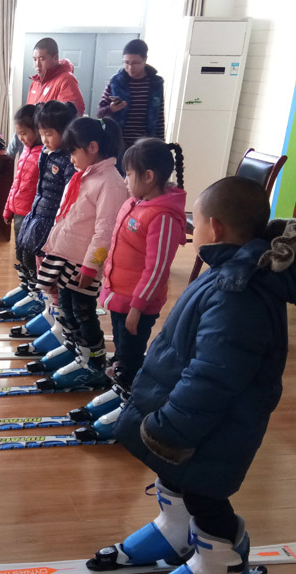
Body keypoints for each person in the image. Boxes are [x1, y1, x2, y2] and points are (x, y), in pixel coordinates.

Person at [85, 177, 296, 574]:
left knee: (205, 493)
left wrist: (171, 427)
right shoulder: (231, 274)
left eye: (196, 223)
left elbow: (215, 374)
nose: (193, 231)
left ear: (216, 229)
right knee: (180, 482)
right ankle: (176, 529)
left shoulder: (236, 291)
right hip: (197, 420)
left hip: (210, 427)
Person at [34, 117, 128, 390]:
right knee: (67, 309)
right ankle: (77, 351)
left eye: (73, 151)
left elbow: (105, 232)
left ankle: (95, 362)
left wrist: (91, 267)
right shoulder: (85, 176)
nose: (70, 156)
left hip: (83, 264)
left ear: (93, 147)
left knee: (83, 313)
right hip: (67, 257)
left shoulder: (110, 182)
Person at [100, 138, 186, 392]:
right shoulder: (136, 202)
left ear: (148, 176)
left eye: (127, 174)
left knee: (132, 349)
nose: (124, 180)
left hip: (137, 303)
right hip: (120, 295)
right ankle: (121, 368)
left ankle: (128, 388)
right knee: (121, 342)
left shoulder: (163, 216)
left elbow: (157, 268)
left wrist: (138, 306)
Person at [11, 101, 77, 319]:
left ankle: (49, 309)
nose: (45, 139)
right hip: (38, 215)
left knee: (48, 268)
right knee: (31, 258)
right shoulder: (46, 154)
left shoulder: (68, 159)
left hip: (53, 222)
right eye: (42, 134)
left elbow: (69, 196)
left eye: (48, 134)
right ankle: (37, 296)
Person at [97, 39, 165, 151]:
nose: (130, 67)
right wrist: (111, 109)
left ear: (144, 60)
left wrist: (161, 145)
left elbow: (159, 116)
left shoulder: (155, 83)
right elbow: (100, 113)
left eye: (134, 63)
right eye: (126, 63)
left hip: (144, 145)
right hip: (117, 142)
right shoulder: (115, 82)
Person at [2, 105, 43, 242]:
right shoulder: (25, 151)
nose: (20, 138)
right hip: (19, 212)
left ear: (38, 130)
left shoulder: (45, 155)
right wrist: (8, 209)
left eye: (24, 133)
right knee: (20, 249)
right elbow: (16, 183)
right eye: (18, 133)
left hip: (34, 215)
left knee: (29, 255)